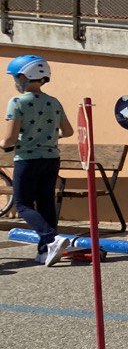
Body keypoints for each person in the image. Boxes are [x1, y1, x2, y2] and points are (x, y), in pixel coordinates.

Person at [3, 55, 74, 266]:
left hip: (27, 159)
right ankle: (45, 252)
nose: (15, 82)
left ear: (24, 77)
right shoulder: (54, 101)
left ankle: (52, 238)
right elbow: (68, 131)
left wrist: (3, 143)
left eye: (16, 77)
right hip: (51, 159)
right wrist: (48, 138)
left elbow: (9, 139)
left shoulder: (17, 102)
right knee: (45, 203)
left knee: (22, 204)